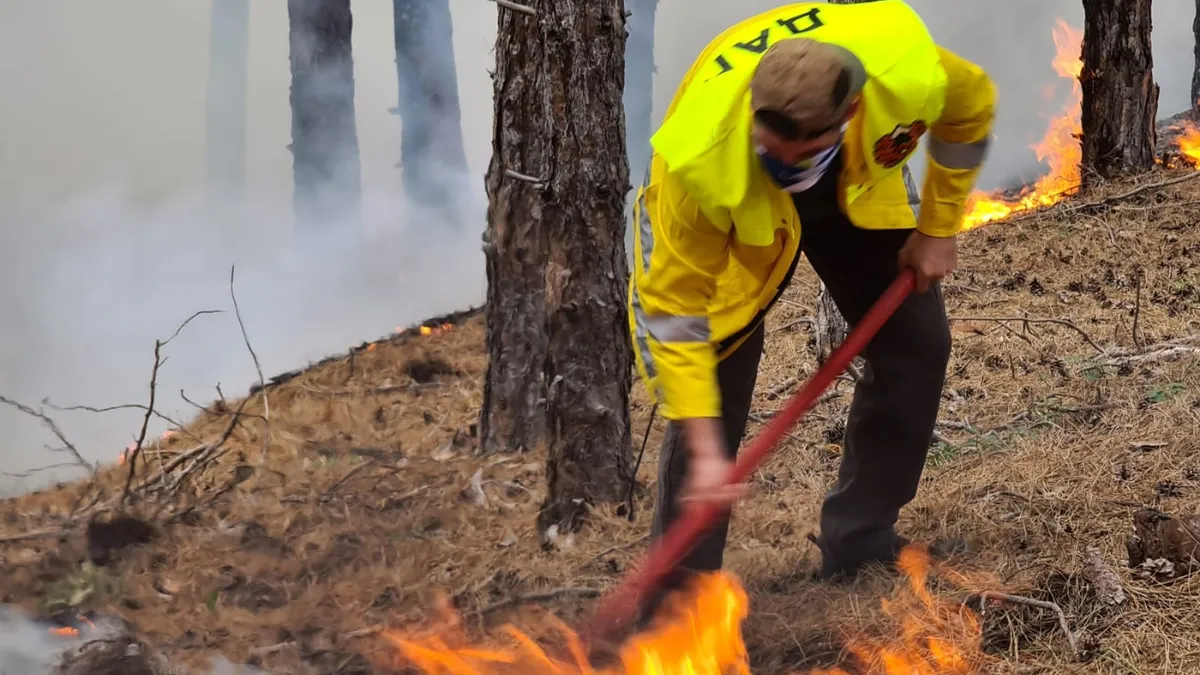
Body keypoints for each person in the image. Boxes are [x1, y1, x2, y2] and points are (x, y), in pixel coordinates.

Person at [626, 0, 996, 613]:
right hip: (734, 201)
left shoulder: (907, 75)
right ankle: (677, 606)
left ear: (849, 112)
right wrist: (706, 447)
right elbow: (673, 307)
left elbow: (971, 108)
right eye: (775, 147)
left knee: (916, 345)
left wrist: (938, 227)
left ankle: (861, 538)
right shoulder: (699, 165)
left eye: (802, 151)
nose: (786, 161)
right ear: (753, 113)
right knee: (710, 398)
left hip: (853, 183)